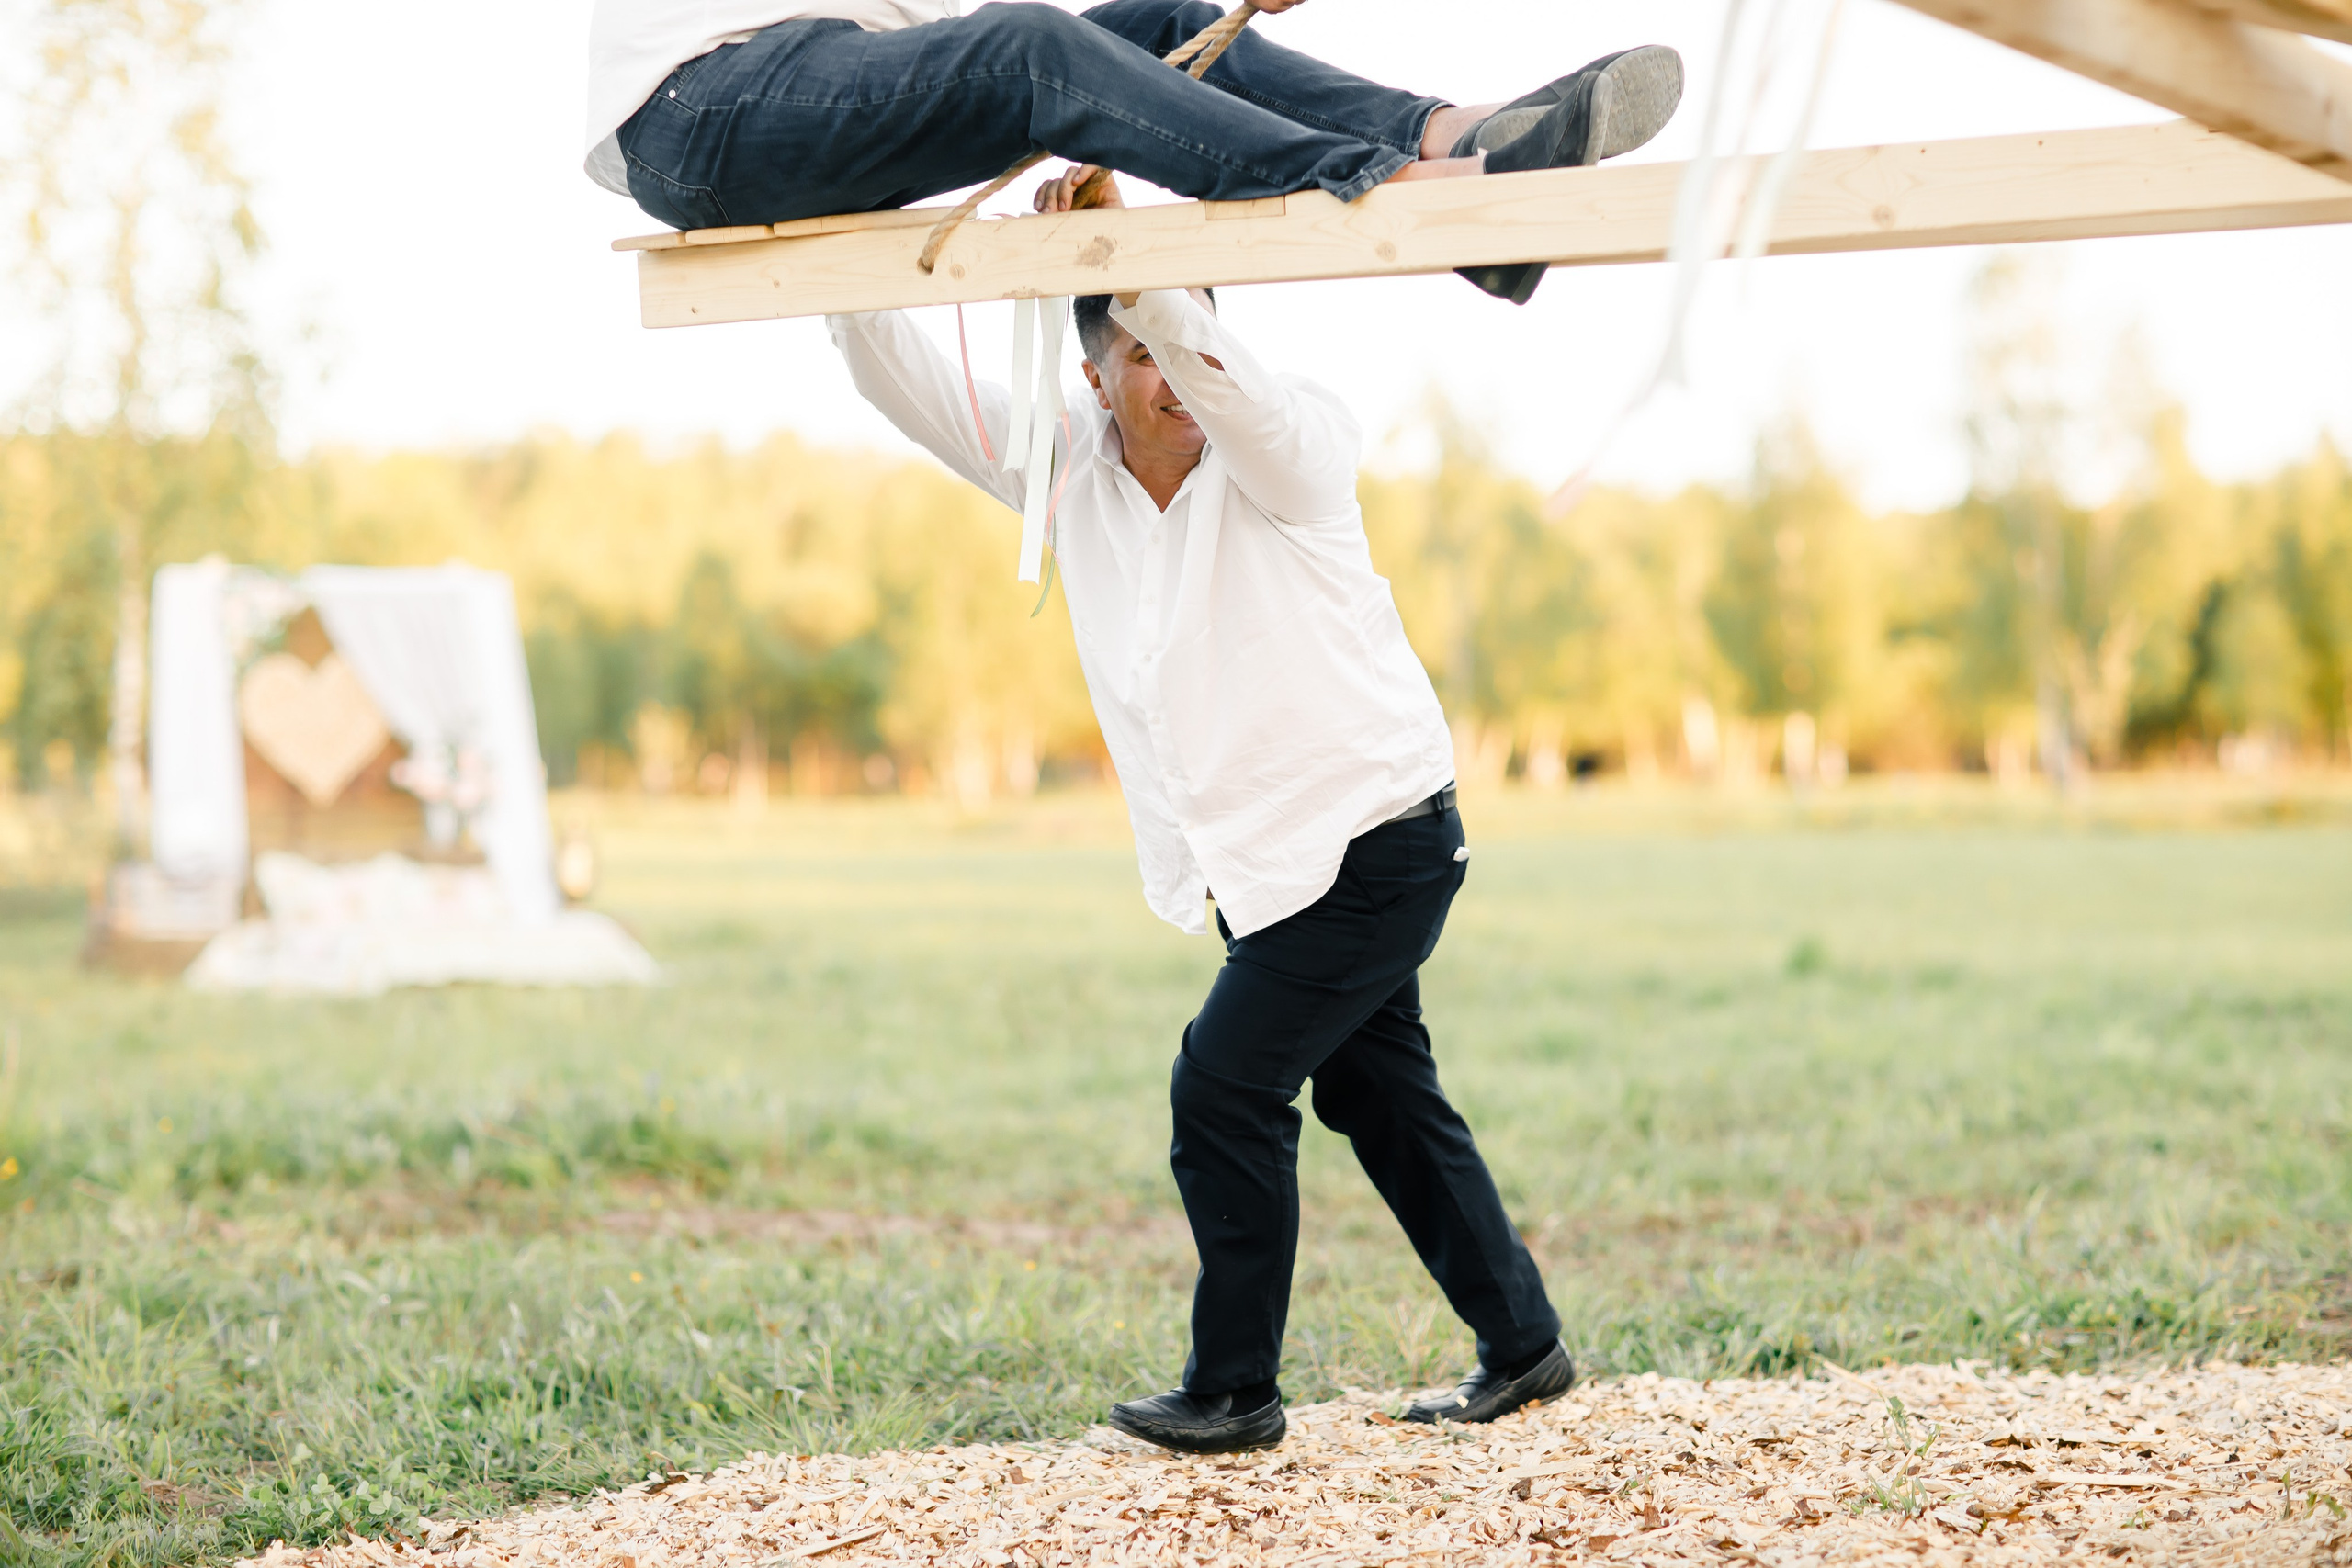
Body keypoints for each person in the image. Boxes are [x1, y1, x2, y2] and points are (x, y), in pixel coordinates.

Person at [825, 163, 1571, 1453]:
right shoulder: (1066, 469)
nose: (1173, 375)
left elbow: (1219, 370)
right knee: (1383, 1097)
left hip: (1376, 834)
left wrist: (1138, 274)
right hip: (1262, 865)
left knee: (1222, 1086)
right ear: (1092, 379)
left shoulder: (1292, 443)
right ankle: (1524, 1342)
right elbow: (904, 379)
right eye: (1139, 355)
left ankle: (1234, 1387)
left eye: (1182, 339)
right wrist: (850, 237)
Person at [587, 0, 1681, 302]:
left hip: (831, 93)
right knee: (1029, 49)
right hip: (703, 105)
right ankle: (1405, 191)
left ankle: (1452, 140)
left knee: (1168, 22)